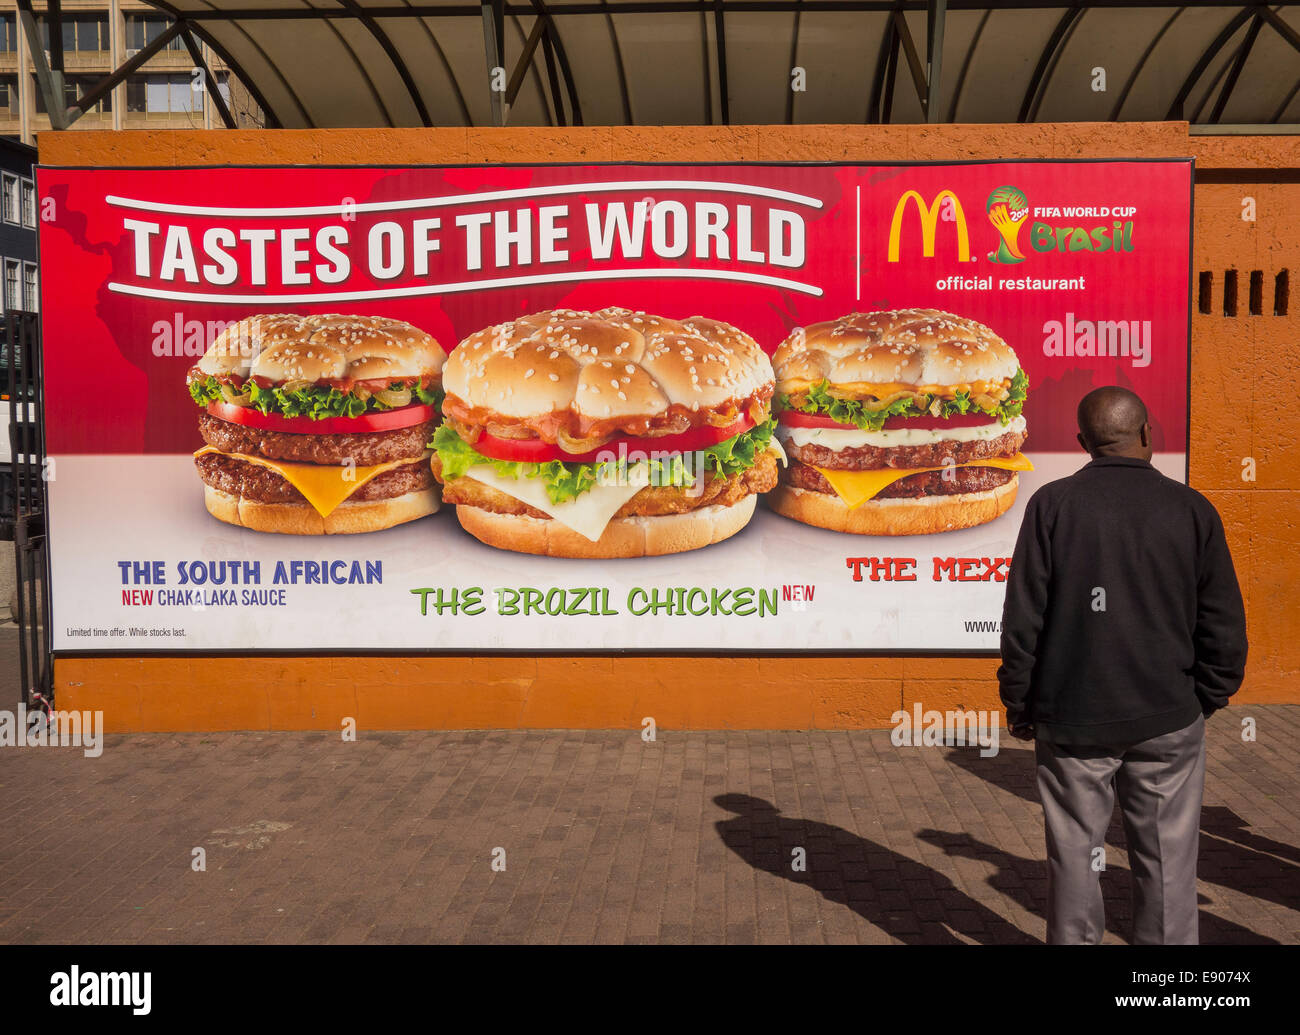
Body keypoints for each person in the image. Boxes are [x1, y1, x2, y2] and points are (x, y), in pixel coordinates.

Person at [997, 386, 1247, 945]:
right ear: (1149, 434)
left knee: (1074, 858)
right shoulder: (1192, 508)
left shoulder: (1052, 505)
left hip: (1071, 718)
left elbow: (1022, 618)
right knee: (1168, 862)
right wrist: (1204, 698)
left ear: (1084, 442)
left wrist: (1020, 703)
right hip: (1168, 713)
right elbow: (1224, 626)